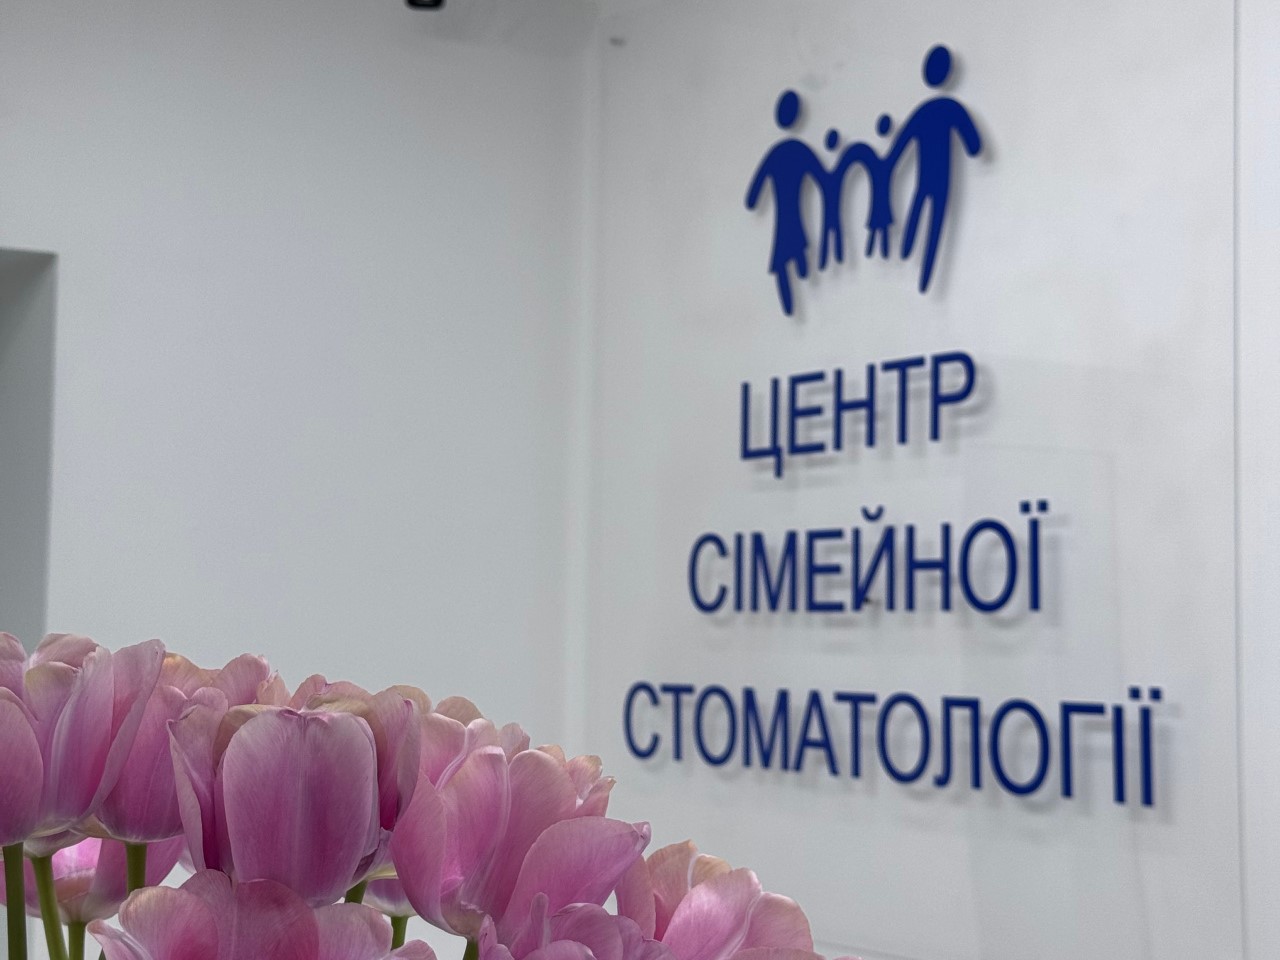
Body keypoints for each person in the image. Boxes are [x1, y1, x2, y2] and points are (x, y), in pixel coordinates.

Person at [886, 45, 982, 292]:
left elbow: (897, 150)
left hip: (924, 182)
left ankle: (908, 253)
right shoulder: (950, 109)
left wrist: (889, 166)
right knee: (934, 230)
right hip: (941, 183)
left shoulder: (923, 113)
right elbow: (973, 145)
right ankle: (922, 272)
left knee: (919, 215)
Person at [746, 90, 825, 316]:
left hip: (783, 222)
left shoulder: (777, 154)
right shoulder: (800, 151)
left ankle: (795, 303)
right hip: (794, 221)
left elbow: (752, 198)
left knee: (783, 263)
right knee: (796, 260)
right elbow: (823, 179)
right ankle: (799, 294)